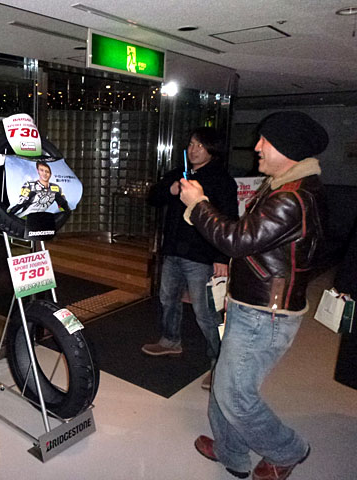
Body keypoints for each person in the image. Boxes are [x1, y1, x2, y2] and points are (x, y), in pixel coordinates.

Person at [180, 111, 328, 480]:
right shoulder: (284, 186)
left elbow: (237, 240)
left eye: (265, 140)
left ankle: (288, 450)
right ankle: (231, 452)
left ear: (288, 148)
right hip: (253, 303)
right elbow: (254, 241)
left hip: (265, 314)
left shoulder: (292, 197)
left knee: (235, 394)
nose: (256, 146)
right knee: (224, 384)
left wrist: (198, 204)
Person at [143, 127, 238, 389]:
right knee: (167, 299)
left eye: (200, 145)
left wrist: (222, 257)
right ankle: (170, 341)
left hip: (201, 255)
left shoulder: (221, 180)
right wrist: (171, 189)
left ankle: (219, 364)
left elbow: (229, 219)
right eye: (192, 144)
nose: (193, 150)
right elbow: (153, 197)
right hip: (173, 250)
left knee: (205, 312)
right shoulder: (179, 173)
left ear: (212, 150)